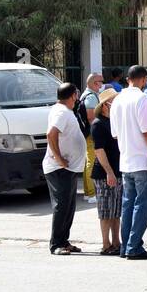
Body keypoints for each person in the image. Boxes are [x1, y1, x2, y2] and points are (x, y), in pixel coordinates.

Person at [112, 65, 147, 260]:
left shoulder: (117, 99)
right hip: (142, 160)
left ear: (128, 79)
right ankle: (134, 246)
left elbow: (115, 135)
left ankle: (127, 246)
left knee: (129, 205)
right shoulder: (141, 98)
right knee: (143, 205)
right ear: (143, 79)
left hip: (126, 160)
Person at [43, 82, 86, 255]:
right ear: (74, 95)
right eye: (77, 94)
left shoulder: (64, 111)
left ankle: (64, 240)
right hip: (58, 168)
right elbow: (51, 134)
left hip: (68, 168)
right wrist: (59, 158)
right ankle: (56, 244)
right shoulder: (61, 112)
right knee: (62, 206)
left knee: (68, 206)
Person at [89, 88, 122, 255]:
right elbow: (99, 151)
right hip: (104, 174)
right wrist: (109, 172)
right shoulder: (98, 124)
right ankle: (105, 244)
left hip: (117, 171)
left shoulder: (114, 122)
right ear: (104, 105)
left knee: (116, 211)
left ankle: (116, 242)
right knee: (106, 211)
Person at [79, 73, 103, 199]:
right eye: (101, 81)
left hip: (87, 133)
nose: (102, 84)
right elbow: (90, 116)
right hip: (91, 133)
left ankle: (88, 192)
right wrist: (96, 133)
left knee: (88, 161)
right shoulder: (91, 97)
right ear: (95, 83)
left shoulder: (87, 94)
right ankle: (92, 193)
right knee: (92, 161)